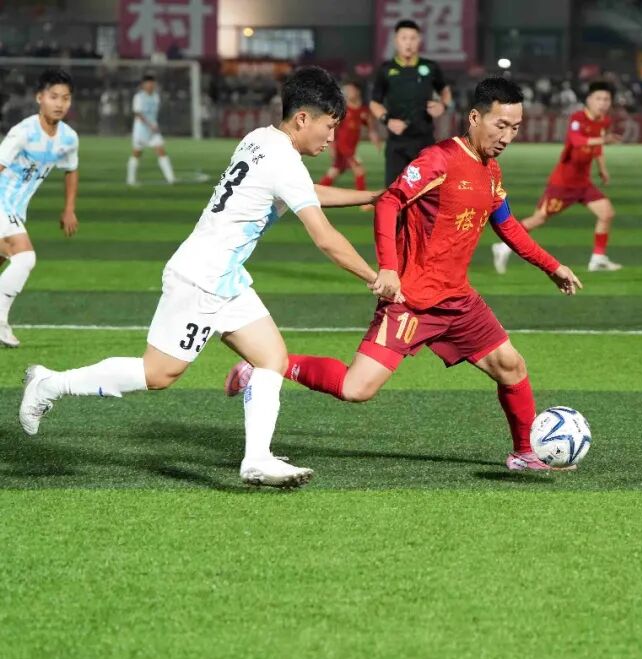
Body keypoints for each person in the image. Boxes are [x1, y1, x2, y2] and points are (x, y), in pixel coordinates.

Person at [20, 67, 387, 488]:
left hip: (224, 275)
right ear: (303, 118)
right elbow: (324, 238)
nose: (331, 137)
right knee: (158, 373)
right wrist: (374, 277)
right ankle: (51, 384)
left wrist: (372, 196)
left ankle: (257, 459)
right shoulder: (284, 160)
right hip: (201, 278)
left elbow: (304, 191)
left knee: (272, 358)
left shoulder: (261, 139)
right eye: (329, 126)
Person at [225, 77, 583, 472]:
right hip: (411, 300)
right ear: (474, 117)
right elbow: (389, 202)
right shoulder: (439, 160)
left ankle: (525, 452)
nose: (507, 137)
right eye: (501, 125)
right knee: (356, 389)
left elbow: (508, 224)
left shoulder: (491, 171)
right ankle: (267, 367)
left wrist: (552, 266)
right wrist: (389, 269)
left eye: (515, 128)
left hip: (458, 300)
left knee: (511, 366)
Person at [493, 81, 622, 274]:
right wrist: (603, 139)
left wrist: (602, 169)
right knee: (538, 219)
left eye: (606, 99)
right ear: (589, 100)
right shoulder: (578, 118)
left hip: (583, 183)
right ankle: (503, 246)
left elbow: (597, 148)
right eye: (599, 98)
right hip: (564, 184)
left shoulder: (604, 121)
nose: (603, 103)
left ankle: (598, 259)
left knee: (607, 213)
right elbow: (577, 142)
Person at [0, 69, 79, 348]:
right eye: (53, 97)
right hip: (1, 203)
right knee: (25, 257)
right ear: (39, 98)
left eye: (65, 98)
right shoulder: (22, 133)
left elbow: (71, 170)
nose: (59, 103)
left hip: (16, 210)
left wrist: (69, 209)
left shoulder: (68, 138)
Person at [369, 19, 451, 187]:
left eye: (413, 38)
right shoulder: (386, 69)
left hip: (425, 142)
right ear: (396, 40)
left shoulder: (430, 67)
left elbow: (445, 90)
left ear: (419, 40)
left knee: (427, 193)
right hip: (397, 143)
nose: (408, 43)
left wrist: (442, 106)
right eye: (404, 38)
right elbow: (374, 103)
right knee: (394, 194)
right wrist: (387, 120)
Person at [318, 79, 381, 191]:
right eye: (347, 91)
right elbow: (333, 128)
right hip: (344, 146)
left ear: (358, 91)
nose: (348, 93)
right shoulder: (343, 109)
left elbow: (371, 127)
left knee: (336, 170)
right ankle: (362, 198)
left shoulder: (363, 110)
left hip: (351, 146)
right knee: (359, 170)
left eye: (351, 90)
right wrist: (332, 146)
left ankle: (318, 191)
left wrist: (374, 137)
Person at [127, 73, 175, 185]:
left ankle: (171, 179)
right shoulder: (138, 97)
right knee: (137, 153)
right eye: (148, 84)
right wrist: (150, 125)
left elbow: (154, 113)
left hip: (153, 130)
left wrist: (154, 125)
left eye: (152, 84)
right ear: (143, 85)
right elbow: (138, 114)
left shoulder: (156, 97)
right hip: (141, 130)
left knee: (161, 151)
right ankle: (131, 179)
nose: (150, 86)